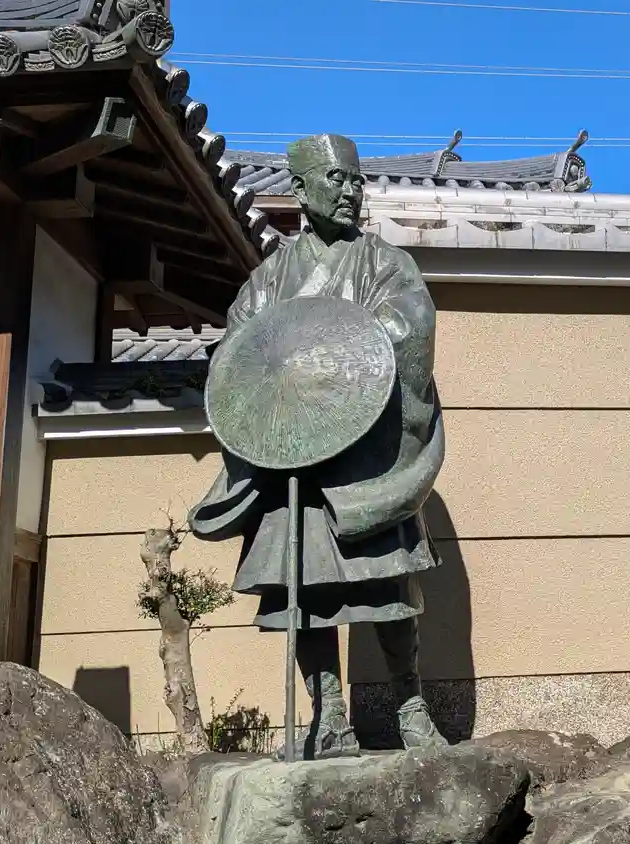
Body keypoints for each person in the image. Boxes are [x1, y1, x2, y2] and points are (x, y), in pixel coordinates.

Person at [188, 134, 447, 759]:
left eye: (356, 180)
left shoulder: (386, 264)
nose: (350, 191)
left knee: (386, 585)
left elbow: (409, 331)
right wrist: (287, 380)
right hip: (296, 458)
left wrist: (334, 359)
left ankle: (410, 706)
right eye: (335, 180)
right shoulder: (269, 280)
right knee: (305, 590)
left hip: (367, 455)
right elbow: (241, 358)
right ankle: (328, 713)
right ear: (301, 191)